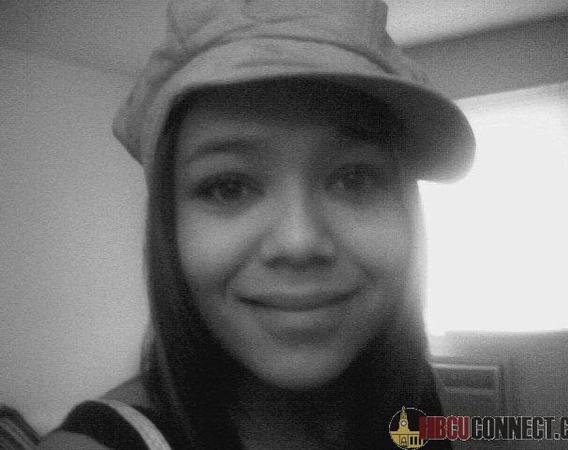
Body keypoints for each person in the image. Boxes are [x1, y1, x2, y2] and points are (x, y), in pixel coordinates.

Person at [37, 0, 474, 449]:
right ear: (169, 227)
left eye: (355, 178)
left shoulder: (412, 397)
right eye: (228, 187)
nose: (299, 242)